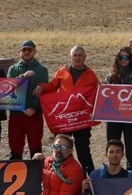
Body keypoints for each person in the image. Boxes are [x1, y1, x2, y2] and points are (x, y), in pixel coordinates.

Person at [36, 45, 100, 173]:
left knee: (83, 149)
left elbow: (96, 94)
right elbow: (52, 86)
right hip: (64, 118)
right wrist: (42, 87)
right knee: (61, 148)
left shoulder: (91, 75)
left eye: (80, 55)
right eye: (75, 55)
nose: (77, 58)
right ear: (70, 57)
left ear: (85, 57)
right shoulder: (62, 71)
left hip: (82, 118)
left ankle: (90, 176)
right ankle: (59, 174)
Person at [5, 40, 50, 160]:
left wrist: (34, 108)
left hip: (34, 115)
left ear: (34, 51)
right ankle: (15, 169)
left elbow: (43, 91)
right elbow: (9, 87)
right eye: (24, 50)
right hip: (16, 113)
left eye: (29, 50)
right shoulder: (13, 69)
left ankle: (37, 171)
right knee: (15, 148)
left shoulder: (42, 70)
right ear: (19, 52)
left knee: (35, 148)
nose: (26, 52)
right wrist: (23, 77)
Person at [105, 46, 132, 173]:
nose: (123, 60)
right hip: (113, 116)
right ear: (117, 59)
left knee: (131, 147)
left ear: (131, 59)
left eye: (126, 57)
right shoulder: (111, 77)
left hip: (130, 116)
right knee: (112, 145)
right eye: (121, 57)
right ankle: (113, 172)